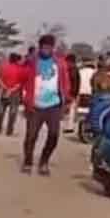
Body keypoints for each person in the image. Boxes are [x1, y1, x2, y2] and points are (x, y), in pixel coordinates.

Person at [20, 34, 72, 176]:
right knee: (31, 136)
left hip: (53, 105)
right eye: (44, 47)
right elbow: (23, 78)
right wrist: (25, 99)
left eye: (49, 47)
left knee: (54, 135)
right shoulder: (32, 62)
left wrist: (66, 99)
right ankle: (28, 162)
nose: (46, 50)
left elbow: (65, 82)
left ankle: (44, 161)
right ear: (40, 47)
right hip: (35, 105)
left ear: (53, 48)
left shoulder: (60, 63)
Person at [0, 52, 24, 136]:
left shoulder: (4, 67)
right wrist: (11, 90)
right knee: (12, 113)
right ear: (17, 60)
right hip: (14, 93)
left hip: (4, 91)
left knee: (1, 111)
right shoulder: (20, 69)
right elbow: (20, 83)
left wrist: (5, 88)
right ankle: (9, 131)